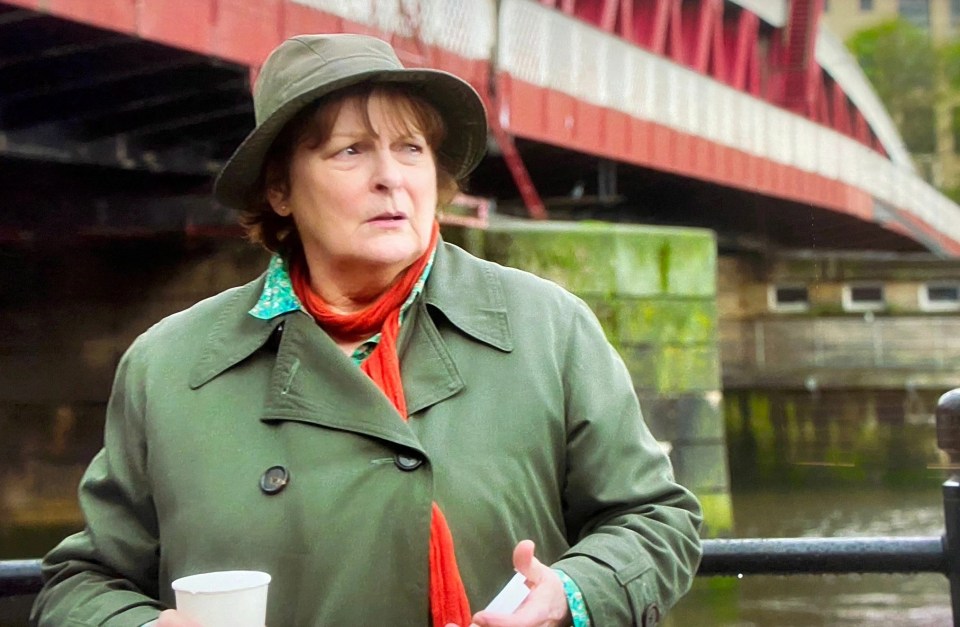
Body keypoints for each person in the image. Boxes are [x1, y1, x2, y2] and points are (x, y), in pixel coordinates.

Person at [31, 34, 702, 627]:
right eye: (350, 151)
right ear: (281, 191)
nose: (391, 178)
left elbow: (658, 520)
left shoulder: (546, 328)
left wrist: (569, 592)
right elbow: (82, 582)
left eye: (410, 148)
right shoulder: (170, 366)